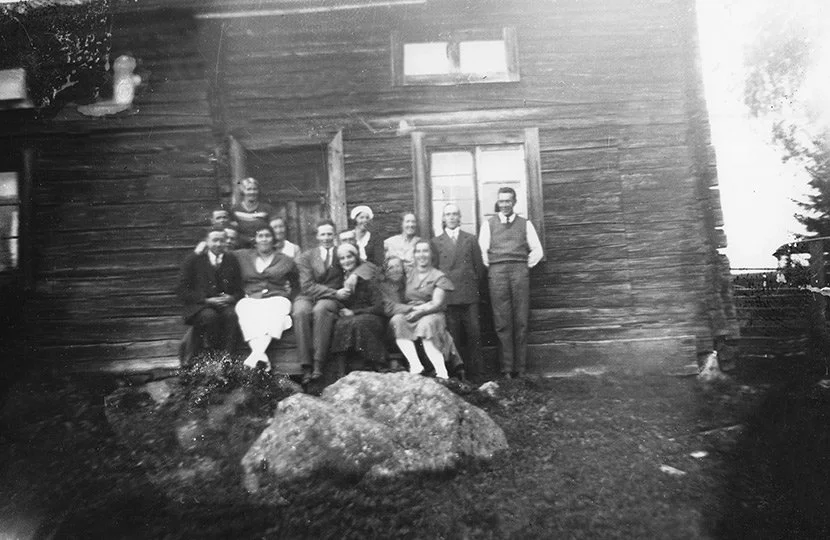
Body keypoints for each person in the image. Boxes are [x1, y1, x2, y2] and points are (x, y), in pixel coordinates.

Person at [478, 187, 543, 378]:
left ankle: (520, 368)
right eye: (501, 201)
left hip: (519, 273)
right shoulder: (489, 224)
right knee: (502, 321)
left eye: (508, 201)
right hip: (497, 274)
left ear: (514, 202)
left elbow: (537, 250)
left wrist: (523, 265)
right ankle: (507, 368)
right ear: (498, 203)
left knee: (521, 320)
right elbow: (483, 252)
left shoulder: (525, 224)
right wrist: (496, 266)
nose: (504, 204)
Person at [293, 219, 350, 383]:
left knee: (321, 309)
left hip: (330, 299)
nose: (326, 238)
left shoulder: (342, 253)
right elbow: (306, 285)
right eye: (323, 234)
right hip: (309, 295)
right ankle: (306, 365)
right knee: (300, 311)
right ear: (317, 236)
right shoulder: (307, 256)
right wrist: (335, 292)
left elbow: (358, 267)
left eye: (329, 234)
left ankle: (318, 363)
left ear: (335, 235)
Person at [234, 224, 299, 370]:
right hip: (252, 298)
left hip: (277, 297)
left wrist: (293, 298)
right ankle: (260, 356)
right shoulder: (243, 256)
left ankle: (254, 357)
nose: (264, 239)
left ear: (273, 239)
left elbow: (296, 283)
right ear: (255, 240)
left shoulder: (285, 260)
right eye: (260, 236)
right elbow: (223, 254)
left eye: (267, 236)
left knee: (279, 309)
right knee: (242, 306)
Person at [176, 226, 243, 364]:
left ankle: (227, 359)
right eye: (215, 240)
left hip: (224, 305)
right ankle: (210, 357)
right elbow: (181, 290)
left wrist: (231, 298)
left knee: (232, 315)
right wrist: (206, 300)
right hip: (200, 306)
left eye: (222, 240)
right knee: (209, 317)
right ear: (207, 241)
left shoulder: (231, 259)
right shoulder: (194, 259)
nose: (218, 244)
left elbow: (239, 289)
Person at [389, 240, 456, 379]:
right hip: (411, 311)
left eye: (425, 251)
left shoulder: (439, 276)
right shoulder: (409, 274)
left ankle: (441, 372)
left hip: (432, 313)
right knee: (397, 320)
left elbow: (436, 303)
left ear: (432, 254)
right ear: (414, 255)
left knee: (426, 325)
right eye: (418, 251)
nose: (421, 255)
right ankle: (415, 365)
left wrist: (420, 311)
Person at [431, 203, 484, 377]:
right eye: (448, 214)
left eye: (455, 214)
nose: (452, 217)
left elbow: (479, 268)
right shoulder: (436, 242)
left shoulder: (470, 239)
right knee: (454, 335)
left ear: (460, 217)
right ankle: (458, 374)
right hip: (449, 296)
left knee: (474, 334)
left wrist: (474, 288)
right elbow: (434, 271)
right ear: (443, 218)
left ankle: (477, 374)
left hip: (469, 295)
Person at [329, 243, 387, 375]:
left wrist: (354, 312)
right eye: (342, 258)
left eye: (349, 257)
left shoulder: (367, 276)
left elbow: (379, 307)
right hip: (350, 317)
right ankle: (341, 372)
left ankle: (377, 364)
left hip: (372, 315)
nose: (346, 261)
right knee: (341, 324)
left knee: (358, 322)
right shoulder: (339, 278)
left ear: (356, 258)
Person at [232, 177, 274, 248]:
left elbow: (272, 228)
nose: (252, 192)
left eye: (255, 189)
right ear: (243, 191)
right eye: (248, 189)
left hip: (262, 245)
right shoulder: (235, 210)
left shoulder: (266, 209)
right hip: (240, 247)